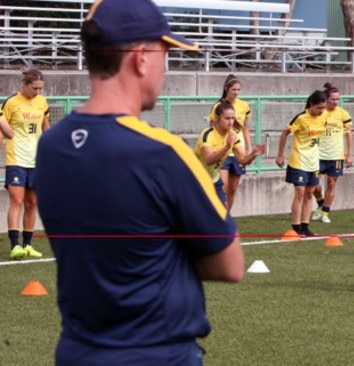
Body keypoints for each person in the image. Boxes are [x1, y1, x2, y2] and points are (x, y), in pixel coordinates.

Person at [34, 1, 244, 365]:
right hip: (155, 354)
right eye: (166, 53)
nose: (166, 67)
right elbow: (230, 265)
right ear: (141, 57)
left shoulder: (50, 147)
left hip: (76, 352)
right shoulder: (162, 152)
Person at [0, 67, 50, 260]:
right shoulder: (12, 103)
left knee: (32, 202)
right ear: (25, 84)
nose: (38, 92)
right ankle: (15, 246)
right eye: (35, 88)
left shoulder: (42, 102)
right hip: (16, 158)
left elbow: (45, 128)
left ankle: (28, 245)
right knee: (17, 201)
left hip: (36, 160)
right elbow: (4, 129)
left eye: (40, 88)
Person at [276, 90, 327, 237]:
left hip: (313, 161)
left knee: (310, 193)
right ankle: (296, 227)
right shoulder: (301, 118)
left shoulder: (323, 117)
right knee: (300, 192)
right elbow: (285, 133)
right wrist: (280, 155)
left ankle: (305, 226)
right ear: (311, 105)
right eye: (319, 108)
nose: (321, 110)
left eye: (323, 108)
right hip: (299, 160)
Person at [197, 101, 265, 204]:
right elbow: (208, 160)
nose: (230, 122)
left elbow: (242, 159)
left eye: (233, 118)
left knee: (223, 211)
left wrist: (253, 154)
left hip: (214, 180)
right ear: (217, 117)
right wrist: (226, 147)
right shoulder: (207, 135)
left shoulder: (232, 135)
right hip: (197, 180)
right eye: (227, 118)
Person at [311, 82, 353, 224]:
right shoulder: (320, 112)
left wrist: (350, 154)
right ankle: (320, 202)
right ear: (326, 99)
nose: (335, 102)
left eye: (337, 99)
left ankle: (325, 212)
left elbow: (349, 134)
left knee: (331, 182)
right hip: (319, 154)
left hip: (336, 156)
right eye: (333, 99)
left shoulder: (343, 113)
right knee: (313, 183)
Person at [208, 74, 252, 211]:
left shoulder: (244, 105)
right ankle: (218, 216)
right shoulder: (218, 106)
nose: (236, 93)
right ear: (226, 89)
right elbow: (212, 128)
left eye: (238, 90)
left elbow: (245, 128)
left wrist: (249, 147)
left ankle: (226, 216)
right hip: (223, 150)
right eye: (234, 89)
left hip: (238, 149)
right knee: (222, 187)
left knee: (232, 189)